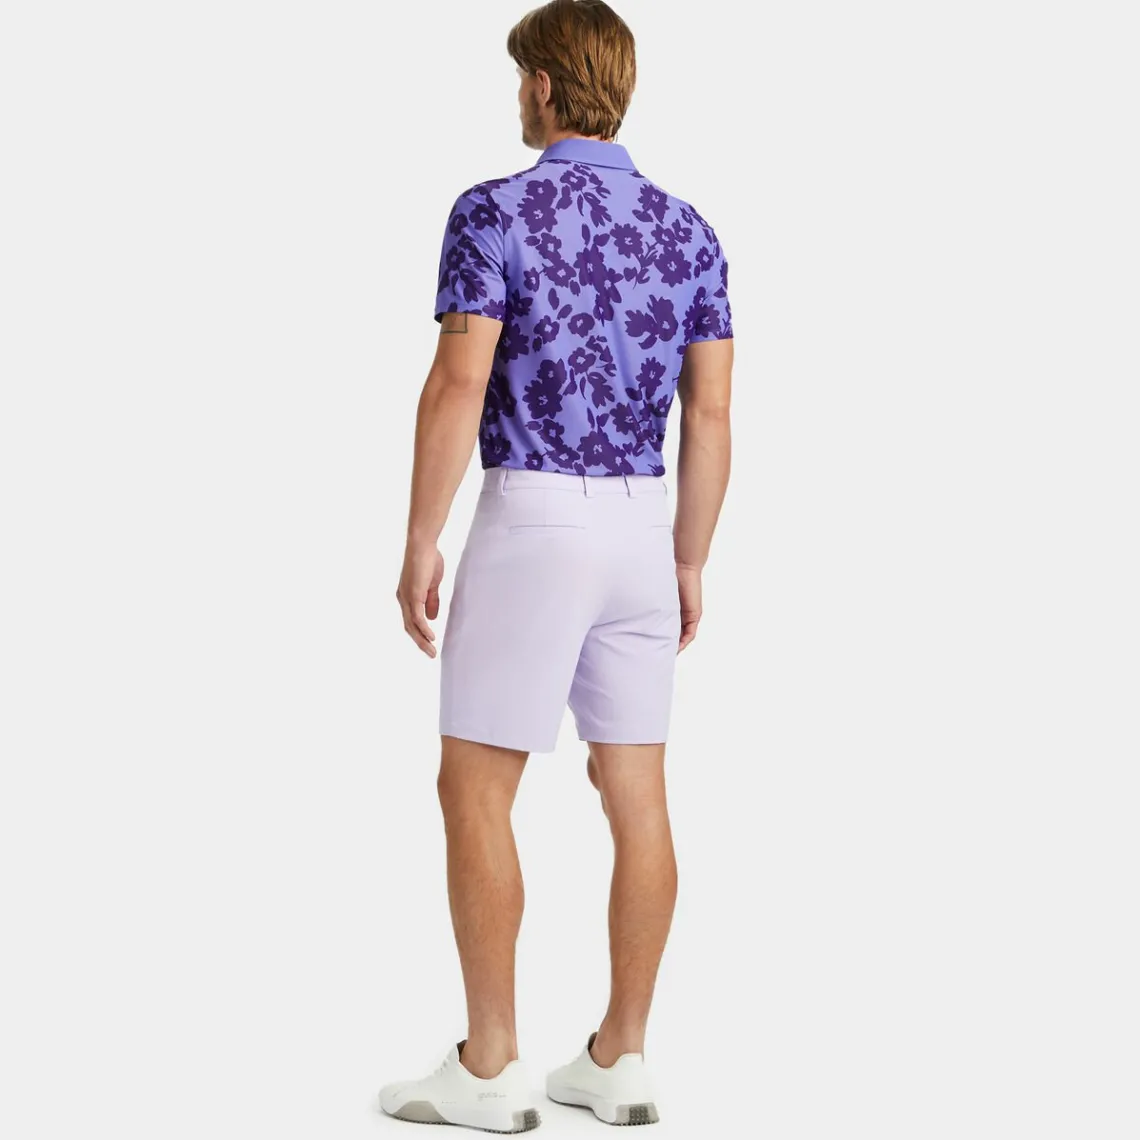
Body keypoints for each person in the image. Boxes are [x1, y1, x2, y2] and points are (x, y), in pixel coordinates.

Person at [382, 0, 733, 1130]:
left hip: (533, 519)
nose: (517, 97)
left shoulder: (492, 212)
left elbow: (458, 381)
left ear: (542, 85)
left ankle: (489, 1068)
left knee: (476, 787)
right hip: (642, 528)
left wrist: (421, 535)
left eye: (520, 79)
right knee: (637, 792)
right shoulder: (689, 229)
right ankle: (619, 1058)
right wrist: (688, 559)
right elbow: (711, 414)